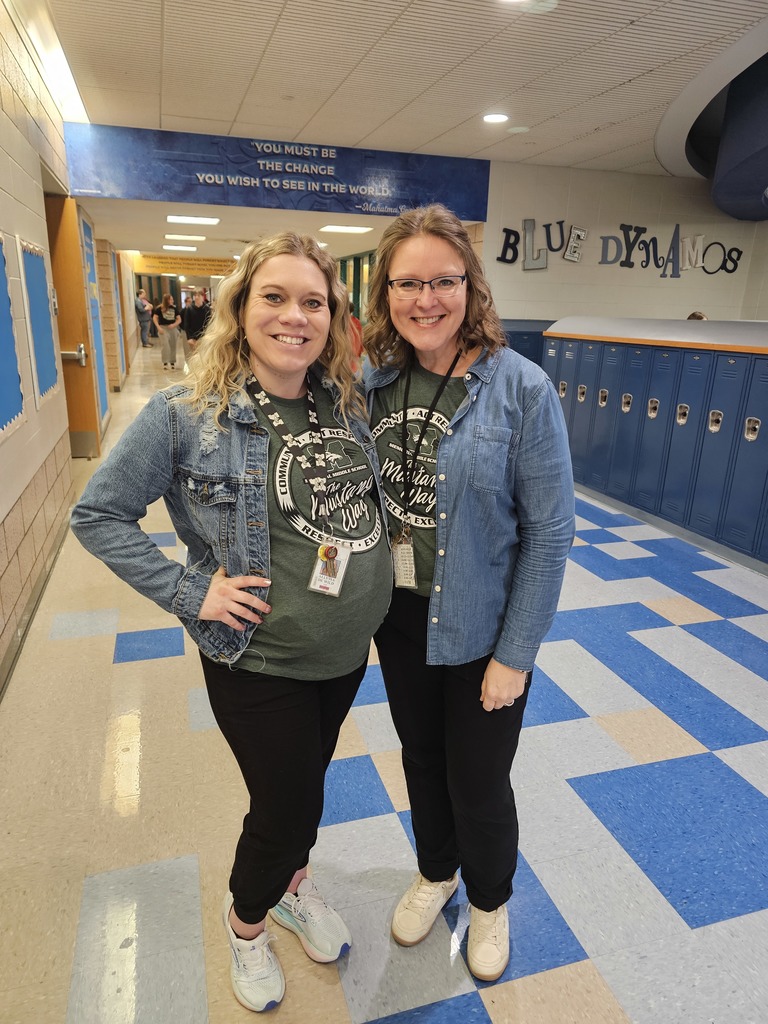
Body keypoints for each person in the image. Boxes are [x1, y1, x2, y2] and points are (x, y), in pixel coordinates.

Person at [71, 233, 393, 1013]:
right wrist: (191, 591)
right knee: (288, 807)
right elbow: (98, 514)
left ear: (332, 316)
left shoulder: (345, 401)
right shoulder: (186, 415)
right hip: (258, 657)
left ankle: (294, 887)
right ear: (239, 310)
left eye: (313, 301)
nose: (295, 316)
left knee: (304, 786)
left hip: (345, 651)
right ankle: (247, 924)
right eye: (274, 298)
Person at [364, 204, 575, 982]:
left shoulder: (522, 389)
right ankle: (435, 872)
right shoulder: (372, 383)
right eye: (408, 282)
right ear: (386, 291)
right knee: (421, 760)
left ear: (471, 286)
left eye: (444, 280)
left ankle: (489, 901)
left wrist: (515, 655)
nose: (427, 299)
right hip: (400, 618)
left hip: (485, 623)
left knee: (478, 778)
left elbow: (551, 535)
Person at [181, 288, 212, 363]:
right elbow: (187, 324)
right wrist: (189, 337)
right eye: (195, 295)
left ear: (202, 296)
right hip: (193, 337)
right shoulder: (189, 309)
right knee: (193, 356)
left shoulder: (207, 309)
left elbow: (209, 324)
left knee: (203, 356)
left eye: (198, 295)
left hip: (204, 337)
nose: (197, 297)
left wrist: (207, 336)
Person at [153, 293, 182, 370]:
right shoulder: (159, 309)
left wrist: (174, 325)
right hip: (163, 328)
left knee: (173, 345)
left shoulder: (174, 309)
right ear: (167, 300)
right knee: (165, 345)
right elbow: (155, 318)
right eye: (171, 299)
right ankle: (165, 362)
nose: (172, 301)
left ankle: (172, 362)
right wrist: (158, 327)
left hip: (172, 328)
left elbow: (179, 319)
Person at [348, 298, 363, 372]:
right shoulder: (356, 321)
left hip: (346, 354)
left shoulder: (340, 322)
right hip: (355, 353)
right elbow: (360, 338)